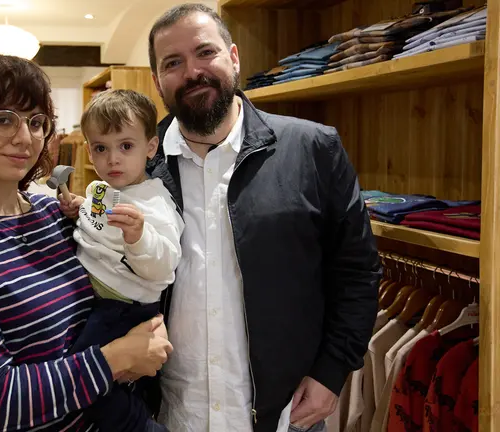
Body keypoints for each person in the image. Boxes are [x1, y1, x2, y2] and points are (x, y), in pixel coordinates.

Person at [145, 4, 382, 432]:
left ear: (233, 57)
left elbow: (357, 272)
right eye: (173, 63)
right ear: (157, 81)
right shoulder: (138, 166)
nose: (193, 71)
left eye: (205, 52)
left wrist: (332, 372)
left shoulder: (314, 149)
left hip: (286, 414)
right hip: (171, 415)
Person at [0, 53, 173, 432]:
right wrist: (117, 358)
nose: (24, 137)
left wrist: (150, 328)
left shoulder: (50, 211)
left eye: (37, 122)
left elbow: (114, 277)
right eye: (3, 119)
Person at [58, 90, 184, 432]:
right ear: (89, 151)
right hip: (99, 302)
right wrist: (79, 208)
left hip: (123, 307)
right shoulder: (102, 189)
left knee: (83, 377)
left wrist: (139, 237)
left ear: (150, 148)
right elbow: (97, 223)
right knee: (110, 378)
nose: (113, 159)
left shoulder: (155, 202)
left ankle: (141, 426)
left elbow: (164, 266)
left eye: (126, 146)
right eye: (101, 148)